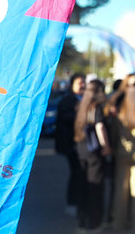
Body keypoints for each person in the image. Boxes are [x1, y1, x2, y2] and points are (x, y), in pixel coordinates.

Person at [74, 79, 112, 230]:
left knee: (83, 186)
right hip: (94, 152)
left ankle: (82, 219)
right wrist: (107, 146)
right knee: (95, 189)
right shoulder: (96, 108)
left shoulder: (81, 106)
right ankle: (94, 222)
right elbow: (100, 127)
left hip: (81, 150)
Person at [111, 82, 135, 232]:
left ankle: (119, 224)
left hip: (122, 152)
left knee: (121, 190)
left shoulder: (121, 112)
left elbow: (114, 132)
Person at [55, 73, 85, 216]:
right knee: (76, 173)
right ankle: (73, 202)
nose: (83, 86)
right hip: (71, 145)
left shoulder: (84, 100)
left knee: (80, 173)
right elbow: (64, 120)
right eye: (80, 83)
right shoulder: (67, 101)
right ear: (72, 85)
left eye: (84, 83)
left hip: (82, 145)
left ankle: (79, 201)